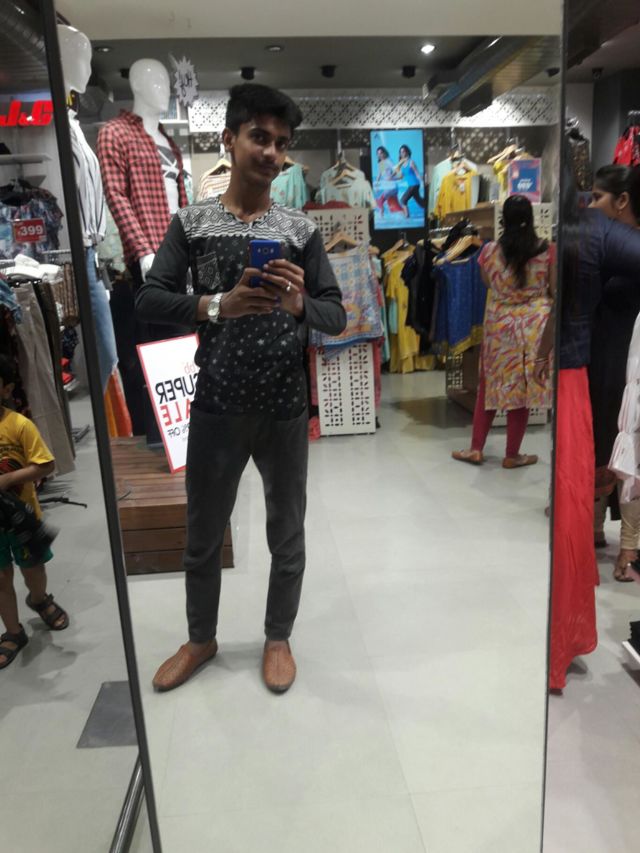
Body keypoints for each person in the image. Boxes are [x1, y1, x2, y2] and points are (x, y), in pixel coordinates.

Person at [136, 84, 346, 694]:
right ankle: (201, 639)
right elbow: (148, 300)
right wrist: (214, 305)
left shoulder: (299, 230)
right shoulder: (192, 223)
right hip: (217, 404)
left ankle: (278, 637)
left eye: (281, 143)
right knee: (203, 534)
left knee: (287, 532)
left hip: (284, 407)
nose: (272, 153)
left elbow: (336, 315)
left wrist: (299, 302)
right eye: (260, 138)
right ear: (229, 140)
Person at [534, 154, 640, 691]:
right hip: (581, 375)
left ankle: (564, 640)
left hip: (588, 375)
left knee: (574, 508)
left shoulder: (586, 227)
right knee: (573, 508)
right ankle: (565, 638)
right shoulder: (590, 227)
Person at [452, 195, 554, 468]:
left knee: (489, 386)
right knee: (521, 391)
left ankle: (476, 448)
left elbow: (489, 283)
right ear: (531, 218)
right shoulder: (547, 250)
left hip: (500, 325)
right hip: (534, 326)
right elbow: (552, 288)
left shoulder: (488, 252)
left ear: (503, 220)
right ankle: (512, 454)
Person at [588, 165, 640, 581]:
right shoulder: (609, 243)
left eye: (597, 198)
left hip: (626, 366)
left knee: (626, 448)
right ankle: (595, 528)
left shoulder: (621, 246)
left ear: (622, 201)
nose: (591, 207)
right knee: (606, 446)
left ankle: (628, 547)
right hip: (608, 362)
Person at [0, 356, 69, 670]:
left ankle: (39, 599)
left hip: (23, 520)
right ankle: (13, 631)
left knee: (34, 570)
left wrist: (9, 480)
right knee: (1, 577)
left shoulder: (19, 425)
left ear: (6, 389)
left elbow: (46, 464)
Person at [394, 145, 426, 217]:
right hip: (411, 185)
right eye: (401, 152)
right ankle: (428, 206)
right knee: (421, 203)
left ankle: (407, 216)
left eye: (404, 151)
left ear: (407, 152)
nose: (402, 153)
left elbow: (417, 173)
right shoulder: (402, 164)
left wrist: (423, 182)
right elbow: (401, 176)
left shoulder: (411, 162)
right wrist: (393, 178)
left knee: (403, 200)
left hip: (414, 185)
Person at [374, 146, 399, 217]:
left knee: (380, 201)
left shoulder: (388, 161)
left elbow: (396, 170)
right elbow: (380, 174)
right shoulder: (381, 163)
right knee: (395, 207)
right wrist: (377, 185)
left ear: (384, 153)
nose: (380, 155)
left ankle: (381, 217)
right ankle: (405, 218)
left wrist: (390, 177)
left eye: (381, 153)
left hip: (391, 186)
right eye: (378, 154)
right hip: (387, 186)